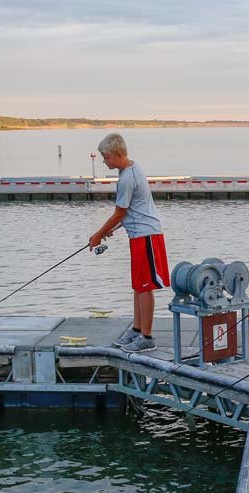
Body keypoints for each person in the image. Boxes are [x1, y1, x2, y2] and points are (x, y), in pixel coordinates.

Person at [89, 133, 169, 354]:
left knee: (145, 287)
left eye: (106, 158)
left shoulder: (126, 178)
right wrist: (111, 230)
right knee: (138, 285)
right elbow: (129, 212)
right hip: (137, 235)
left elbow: (118, 213)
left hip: (147, 236)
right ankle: (136, 329)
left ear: (116, 155)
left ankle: (147, 337)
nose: (104, 162)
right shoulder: (132, 169)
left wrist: (98, 235)